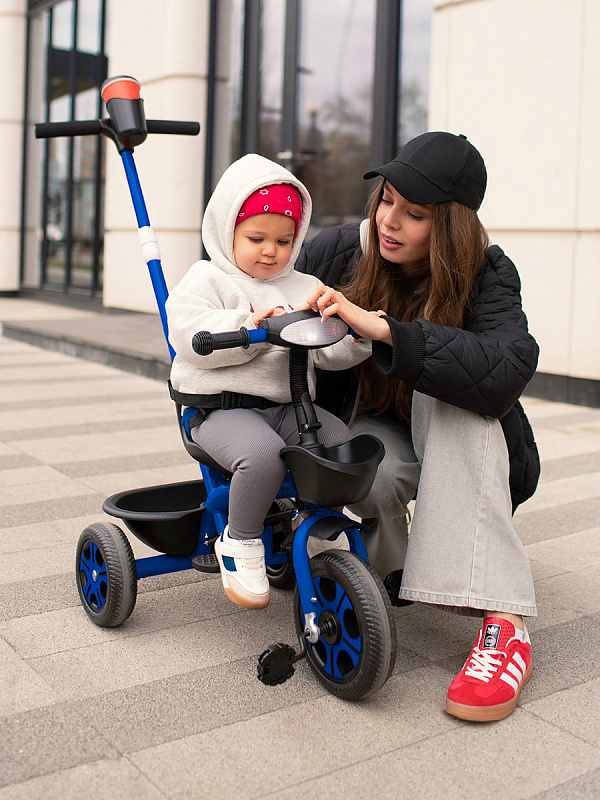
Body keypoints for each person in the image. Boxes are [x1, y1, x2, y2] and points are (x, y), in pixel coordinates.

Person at [296, 131, 540, 722]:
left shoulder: (486, 273)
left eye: (415, 213)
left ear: (449, 225)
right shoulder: (338, 252)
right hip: (378, 431)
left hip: (462, 438)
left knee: (452, 388)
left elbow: (507, 367)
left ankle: (505, 624)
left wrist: (387, 333)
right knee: (370, 472)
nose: (389, 221)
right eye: (387, 200)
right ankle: (398, 571)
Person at [166, 153, 370, 612]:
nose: (270, 251)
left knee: (340, 446)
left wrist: (354, 336)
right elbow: (189, 335)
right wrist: (249, 326)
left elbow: (328, 352)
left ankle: (311, 524)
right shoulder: (207, 279)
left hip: (288, 407)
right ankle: (240, 540)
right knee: (260, 457)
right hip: (220, 410)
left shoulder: (303, 285)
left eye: (283, 240)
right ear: (227, 232)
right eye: (255, 238)